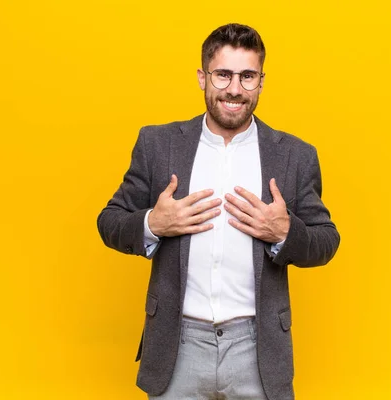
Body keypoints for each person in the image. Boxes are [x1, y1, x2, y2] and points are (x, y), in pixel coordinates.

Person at [97, 23, 340, 400]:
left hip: (258, 349)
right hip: (177, 346)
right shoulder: (157, 144)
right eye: (223, 74)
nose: (234, 89)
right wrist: (152, 223)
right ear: (202, 77)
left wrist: (285, 232)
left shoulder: (294, 155)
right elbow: (109, 221)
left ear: (261, 80)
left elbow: (327, 240)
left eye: (247, 77)